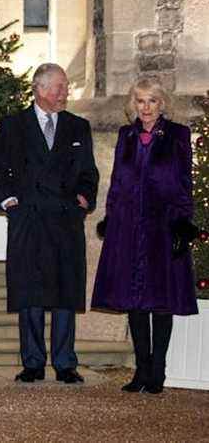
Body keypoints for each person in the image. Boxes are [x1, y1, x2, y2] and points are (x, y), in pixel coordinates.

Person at [0, 63, 99, 384]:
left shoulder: (78, 126)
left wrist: (83, 199)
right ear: (39, 88)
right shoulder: (12, 126)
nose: (65, 93)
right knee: (30, 293)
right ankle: (33, 362)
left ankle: (65, 363)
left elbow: (89, 173)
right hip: (29, 220)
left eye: (65, 87)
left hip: (65, 220)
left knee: (65, 293)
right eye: (59, 87)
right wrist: (9, 201)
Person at [91, 77, 198, 394]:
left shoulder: (178, 135)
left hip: (163, 228)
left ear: (162, 103)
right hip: (128, 226)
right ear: (133, 104)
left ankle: (158, 371)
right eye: (140, 101)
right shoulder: (126, 135)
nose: (146, 107)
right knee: (135, 300)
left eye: (152, 100)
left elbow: (183, 183)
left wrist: (182, 223)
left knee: (161, 301)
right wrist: (110, 219)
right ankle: (141, 369)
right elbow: (117, 181)